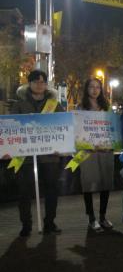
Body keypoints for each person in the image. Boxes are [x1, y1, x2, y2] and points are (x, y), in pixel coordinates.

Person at [10, 70, 64, 237]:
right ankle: (26, 225)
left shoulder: (54, 104)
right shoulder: (19, 104)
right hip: (25, 156)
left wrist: (61, 146)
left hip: (50, 156)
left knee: (51, 189)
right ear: (29, 84)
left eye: (42, 82)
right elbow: (11, 128)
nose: (39, 85)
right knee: (24, 191)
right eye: (36, 81)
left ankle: (50, 223)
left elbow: (63, 126)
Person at [78, 78, 114, 232]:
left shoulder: (107, 108)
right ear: (86, 89)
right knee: (88, 184)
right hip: (88, 152)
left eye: (98, 87)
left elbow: (113, 129)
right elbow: (78, 131)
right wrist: (87, 145)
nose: (94, 90)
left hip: (105, 151)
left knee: (105, 183)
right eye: (91, 87)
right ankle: (91, 218)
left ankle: (103, 216)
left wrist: (110, 144)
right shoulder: (81, 108)